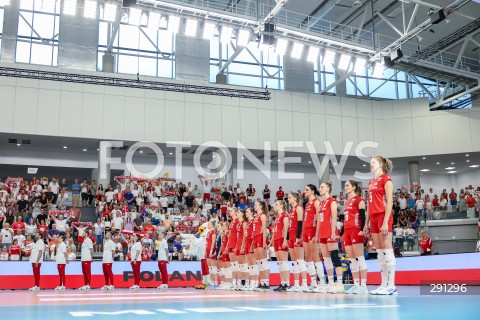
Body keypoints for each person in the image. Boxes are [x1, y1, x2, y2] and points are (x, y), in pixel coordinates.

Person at [363, 155, 397, 295]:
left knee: (387, 249)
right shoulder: (371, 181)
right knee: (379, 251)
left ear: (381, 165)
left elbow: (389, 202)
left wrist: (384, 222)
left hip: (384, 216)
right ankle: (383, 284)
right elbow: (369, 205)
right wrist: (366, 223)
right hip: (373, 217)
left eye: (373, 163)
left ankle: (392, 285)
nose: (370, 165)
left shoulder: (386, 179)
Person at [315, 181, 344, 294]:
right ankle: (331, 283)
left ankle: (340, 284)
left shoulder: (332, 201)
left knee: (335, 257)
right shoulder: (321, 203)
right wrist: (317, 234)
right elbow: (319, 220)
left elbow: (334, 218)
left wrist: (333, 232)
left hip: (330, 232)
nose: (320, 188)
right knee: (326, 260)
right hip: (322, 233)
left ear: (327, 189)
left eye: (322, 187)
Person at [343, 180, 368, 294]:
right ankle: (356, 285)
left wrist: (362, 230)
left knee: (359, 258)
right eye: (345, 185)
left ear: (353, 187)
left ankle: (363, 285)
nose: (345, 187)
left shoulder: (359, 200)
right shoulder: (347, 201)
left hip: (356, 229)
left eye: (347, 185)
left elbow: (363, 216)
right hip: (347, 231)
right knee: (351, 259)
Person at [302, 184, 323, 292]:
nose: (305, 191)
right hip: (305, 230)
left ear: (312, 191)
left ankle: (322, 283)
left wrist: (317, 234)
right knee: (308, 257)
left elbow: (319, 219)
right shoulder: (307, 204)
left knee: (315, 256)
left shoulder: (316, 202)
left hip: (312, 230)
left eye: (307, 190)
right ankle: (314, 282)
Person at [286, 192, 308, 292]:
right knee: (294, 262)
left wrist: (298, 237)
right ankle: (296, 284)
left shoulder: (299, 208)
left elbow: (300, 223)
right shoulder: (291, 210)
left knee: (300, 260)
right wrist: (287, 238)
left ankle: (304, 284)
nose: (288, 199)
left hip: (296, 235)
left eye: (290, 197)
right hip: (291, 235)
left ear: (295, 198)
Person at [271, 200, 290, 292]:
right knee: (280, 263)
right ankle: (282, 283)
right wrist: (270, 243)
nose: (275, 206)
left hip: (282, 240)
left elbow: (286, 229)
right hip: (276, 240)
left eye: (277, 204)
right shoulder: (277, 216)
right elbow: (275, 231)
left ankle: (287, 283)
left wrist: (285, 240)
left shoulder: (285, 215)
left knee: (284, 262)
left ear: (282, 205)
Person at [252, 201, 270, 291]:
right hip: (255, 239)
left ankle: (266, 283)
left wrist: (264, 242)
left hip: (260, 239)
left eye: (256, 205)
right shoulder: (256, 217)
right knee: (259, 262)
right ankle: (262, 282)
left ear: (261, 206)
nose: (254, 206)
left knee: (263, 261)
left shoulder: (263, 215)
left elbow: (264, 230)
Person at [234, 209, 248, 290]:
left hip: (242, 245)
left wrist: (242, 246)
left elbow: (245, 236)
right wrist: (236, 246)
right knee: (240, 265)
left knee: (244, 265)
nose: (237, 213)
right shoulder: (238, 224)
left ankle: (246, 283)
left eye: (238, 212)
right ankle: (242, 283)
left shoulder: (244, 223)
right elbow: (238, 237)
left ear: (242, 214)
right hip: (238, 245)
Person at [227, 209, 239, 290]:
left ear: (235, 212)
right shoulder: (231, 222)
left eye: (231, 211)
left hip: (235, 244)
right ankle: (234, 283)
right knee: (233, 265)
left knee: (237, 264)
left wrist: (237, 245)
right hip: (231, 244)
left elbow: (239, 233)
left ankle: (238, 283)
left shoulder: (237, 221)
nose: (229, 212)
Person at [205, 220, 218, 289]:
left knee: (213, 267)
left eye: (209, 224)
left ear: (212, 225)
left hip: (211, 250)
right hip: (207, 249)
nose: (208, 225)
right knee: (209, 267)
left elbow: (213, 242)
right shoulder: (208, 232)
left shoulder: (213, 232)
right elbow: (207, 242)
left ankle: (216, 282)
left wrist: (211, 251)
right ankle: (212, 282)